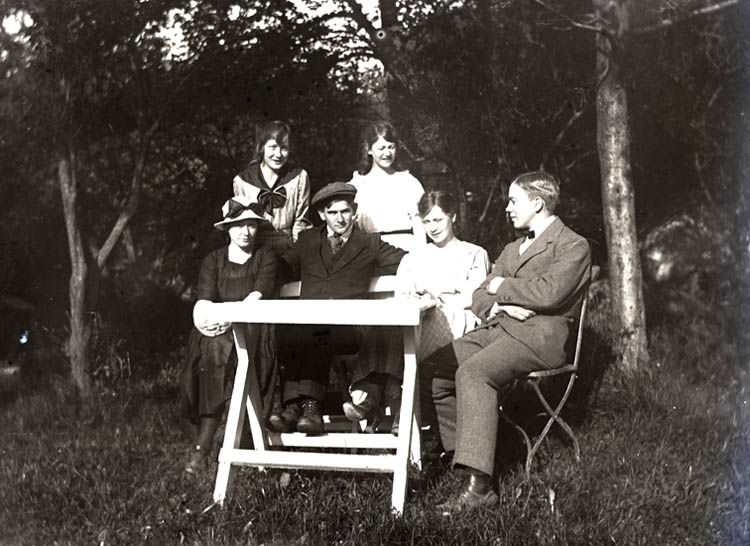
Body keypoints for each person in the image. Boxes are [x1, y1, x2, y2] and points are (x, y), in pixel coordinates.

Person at [419, 171, 591, 512]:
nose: (508, 208)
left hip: (538, 337)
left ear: (537, 203)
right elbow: (479, 294)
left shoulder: (573, 245)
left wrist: (502, 287)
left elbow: (550, 293)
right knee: (433, 371)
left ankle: (480, 489)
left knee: (474, 373)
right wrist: (500, 304)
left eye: (514, 201)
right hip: (498, 327)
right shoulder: (513, 248)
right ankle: (464, 457)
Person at [342, 191, 491, 431]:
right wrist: (418, 298)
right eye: (427, 221)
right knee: (395, 321)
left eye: (438, 219)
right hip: (421, 316)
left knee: (411, 323)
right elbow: (403, 292)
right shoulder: (415, 257)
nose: (433, 227)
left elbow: (474, 297)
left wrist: (436, 297)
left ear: (452, 217)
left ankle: (373, 396)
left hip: (456, 321)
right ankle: (388, 403)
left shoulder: (474, 253)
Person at [268, 182, 406, 435]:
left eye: (345, 211)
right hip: (311, 327)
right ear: (322, 215)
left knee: (317, 330)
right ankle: (292, 407)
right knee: (287, 329)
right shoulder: (308, 240)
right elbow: (281, 269)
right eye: (332, 212)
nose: (340, 218)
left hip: (349, 330)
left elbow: (407, 262)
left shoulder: (369, 243)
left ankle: (312, 407)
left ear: (354, 211)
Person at [179, 196, 280, 474]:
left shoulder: (265, 256)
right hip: (218, 331)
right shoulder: (214, 260)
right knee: (213, 353)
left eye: (251, 225)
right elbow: (205, 299)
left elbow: (257, 295)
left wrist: (229, 318)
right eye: (238, 225)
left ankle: (223, 446)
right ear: (227, 229)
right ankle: (204, 445)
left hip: (255, 329)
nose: (246, 232)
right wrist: (207, 320)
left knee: (225, 354)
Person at [233, 120, 311, 263]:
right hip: (255, 249)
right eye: (273, 147)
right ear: (262, 147)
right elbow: (241, 223)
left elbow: (301, 221)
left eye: (284, 148)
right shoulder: (243, 181)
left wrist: (295, 253)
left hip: (289, 247)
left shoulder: (299, 177)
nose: (278, 154)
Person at [348, 121, 426, 251]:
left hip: (406, 249)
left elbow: (420, 225)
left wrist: (421, 254)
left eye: (391, 147)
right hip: (370, 251)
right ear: (369, 150)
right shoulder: (357, 185)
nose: (387, 153)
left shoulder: (408, 182)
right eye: (381, 148)